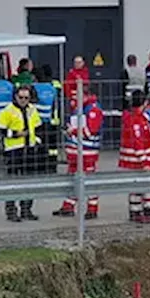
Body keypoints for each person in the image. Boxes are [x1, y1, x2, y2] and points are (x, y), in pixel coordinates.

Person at [0, 85, 42, 222]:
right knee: (12, 183)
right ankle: (11, 211)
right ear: (15, 97)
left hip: (29, 149)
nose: (23, 100)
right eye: (21, 97)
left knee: (29, 181)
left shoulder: (32, 110)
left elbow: (38, 127)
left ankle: (26, 210)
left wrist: (37, 142)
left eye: (26, 98)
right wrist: (16, 134)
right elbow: (0, 130)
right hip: (13, 150)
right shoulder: (7, 111)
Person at [58, 86, 103, 219]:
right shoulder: (79, 107)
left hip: (87, 152)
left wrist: (72, 131)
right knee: (72, 179)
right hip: (75, 152)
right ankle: (68, 206)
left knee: (89, 180)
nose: (73, 99)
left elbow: (90, 131)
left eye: (76, 95)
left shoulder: (93, 109)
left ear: (86, 95)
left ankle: (92, 209)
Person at [121, 91, 150, 223]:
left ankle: (146, 209)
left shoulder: (141, 117)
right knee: (137, 187)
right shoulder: (135, 120)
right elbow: (138, 142)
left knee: (146, 186)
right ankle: (136, 211)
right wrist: (145, 162)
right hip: (137, 161)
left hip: (144, 160)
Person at [33, 65, 62, 170]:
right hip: (52, 119)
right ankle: (52, 165)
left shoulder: (35, 87)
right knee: (52, 145)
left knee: (40, 143)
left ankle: (41, 166)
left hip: (39, 121)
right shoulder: (53, 86)